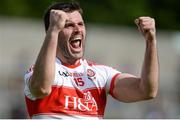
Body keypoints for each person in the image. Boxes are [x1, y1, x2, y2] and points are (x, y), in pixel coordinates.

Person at [24, 1, 159, 119]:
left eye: (80, 24)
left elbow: (146, 91)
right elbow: (41, 89)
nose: (77, 29)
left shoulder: (101, 74)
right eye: (68, 25)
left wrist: (151, 42)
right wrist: (53, 30)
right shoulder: (39, 72)